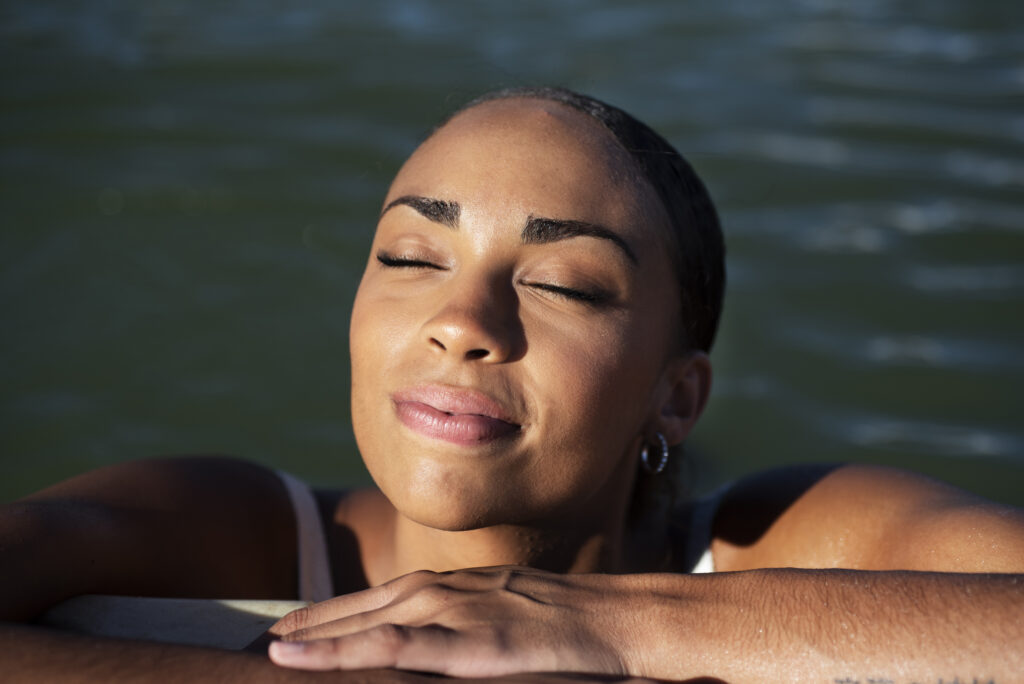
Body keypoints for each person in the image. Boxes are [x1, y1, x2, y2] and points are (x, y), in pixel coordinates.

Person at [2, 87, 1022, 683]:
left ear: (676, 395)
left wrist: (612, 625)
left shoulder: (778, 542)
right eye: (410, 258)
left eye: (563, 283)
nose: (461, 322)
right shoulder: (239, 527)